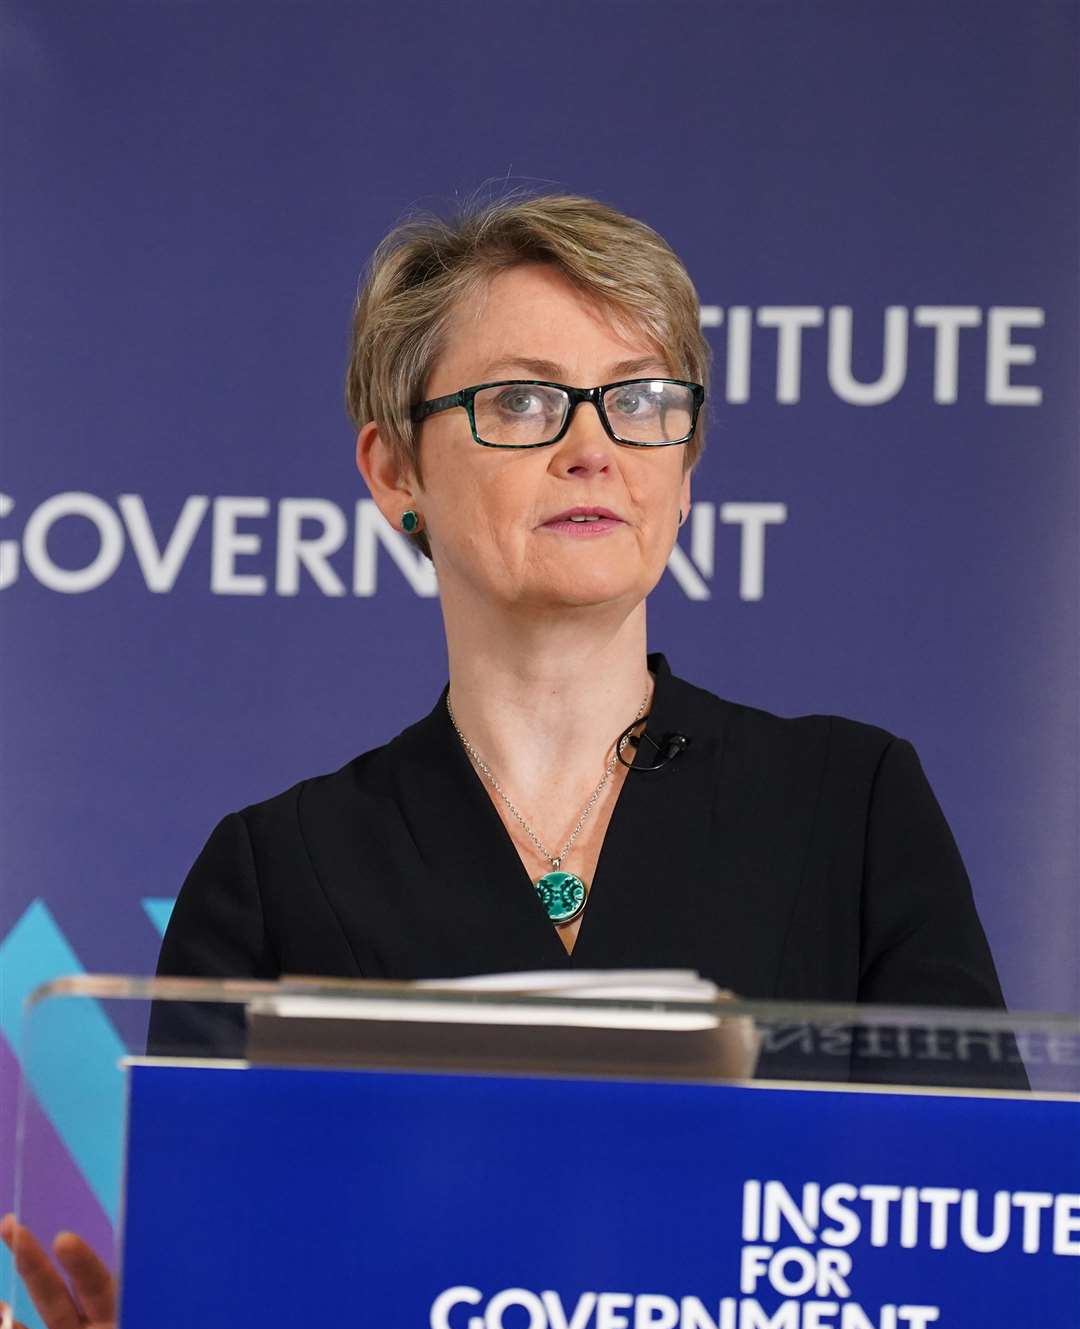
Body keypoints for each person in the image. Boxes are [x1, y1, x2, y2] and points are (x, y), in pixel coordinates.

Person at [149, 191, 1007, 1059]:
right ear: (397, 471)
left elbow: (963, 1183)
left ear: (685, 473)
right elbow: (205, 1191)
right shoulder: (279, 871)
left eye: (638, 399)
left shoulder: (851, 810)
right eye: (523, 400)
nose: (592, 449)